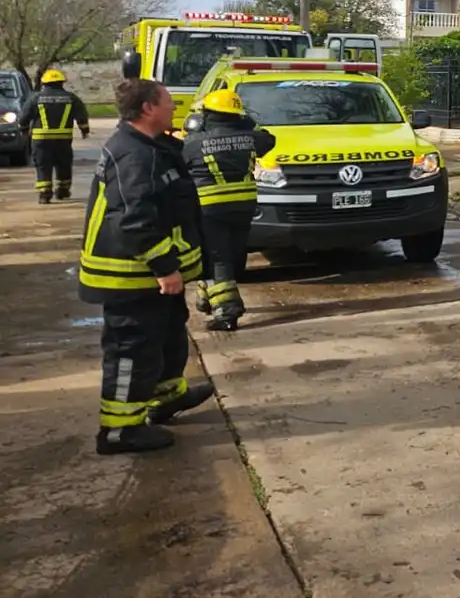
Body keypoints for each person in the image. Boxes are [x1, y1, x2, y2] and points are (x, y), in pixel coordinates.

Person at [79, 79, 214, 455]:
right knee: (131, 350)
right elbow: (135, 218)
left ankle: (166, 397)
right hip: (131, 277)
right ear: (148, 109)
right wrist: (164, 267)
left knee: (168, 338)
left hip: (148, 277)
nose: (174, 107)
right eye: (168, 101)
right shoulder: (134, 155)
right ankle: (120, 430)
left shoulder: (147, 146)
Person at [182, 89, 276, 331]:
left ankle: (227, 312)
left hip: (210, 209)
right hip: (244, 208)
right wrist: (247, 123)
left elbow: (180, 164)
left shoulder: (193, 143)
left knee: (217, 256)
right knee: (231, 254)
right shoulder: (250, 138)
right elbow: (269, 139)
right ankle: (207, 297)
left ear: (207, 114)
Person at [21, 68, 89, 204]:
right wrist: (84, 130)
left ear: (44, 84)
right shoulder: (71, 98)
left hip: (41, 140)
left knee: (42, 165)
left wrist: (24, 130)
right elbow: (81, 115)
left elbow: (24, 117)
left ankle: (45, 194)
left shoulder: (35, 98)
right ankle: (63, 191)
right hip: (63, 140)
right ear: (61, 83)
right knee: (63, 164)